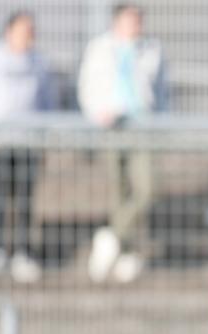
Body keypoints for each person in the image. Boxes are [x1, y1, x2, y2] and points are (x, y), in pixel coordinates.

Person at [78, 3, 168, 283]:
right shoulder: (100, 48)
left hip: (142, 126)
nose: (137, 24)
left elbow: (163, 91)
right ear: (118, 21)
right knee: (119, 190)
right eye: (131, 19)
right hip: (112, 126)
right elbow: (87, 87)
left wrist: (163, 123)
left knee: (147, 189)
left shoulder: (152, 49)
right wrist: (97, 114)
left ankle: (111, 237)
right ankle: (125, 252)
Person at [0, 11, 56, 284]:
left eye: (31, 30)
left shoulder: (38, 62)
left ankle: (22, 252)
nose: (28, 35)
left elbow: (46, 100)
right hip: (1, 140)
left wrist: (46, 137)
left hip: (29, 140)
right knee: (0, 196)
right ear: (9, 31)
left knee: (24, 198)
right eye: (23, 30)